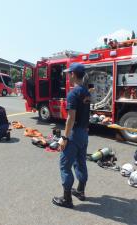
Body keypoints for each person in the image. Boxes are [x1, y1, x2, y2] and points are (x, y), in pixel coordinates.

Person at [52, 63, 91, 208]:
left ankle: (67, 199)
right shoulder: (86, 92)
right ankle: (80, 191)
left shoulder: (73, 93)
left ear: (73, 74)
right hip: (84, 133)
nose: (68, 76)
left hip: (74, 134)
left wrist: (65, 137)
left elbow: (71, 118)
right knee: (81, 162)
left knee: (65, 166)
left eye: (69, 73)